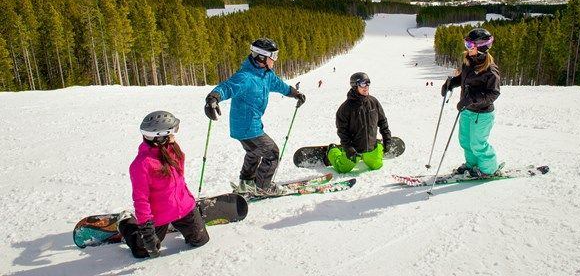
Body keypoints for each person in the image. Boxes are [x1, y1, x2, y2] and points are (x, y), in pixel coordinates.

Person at [204, 38, 306, 196]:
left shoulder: (265, 75)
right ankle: (262, 187)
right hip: (247, 127)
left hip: (250, 126)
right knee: (272, 153)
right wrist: (213, 98)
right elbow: (227, 87)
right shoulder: (246, 77)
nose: (275, 60)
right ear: (262, 57)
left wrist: (295, 93)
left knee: (254, 152)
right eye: (274, 56)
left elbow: (280, 85)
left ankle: (247, 183)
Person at [118, 111, 209, 258]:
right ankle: (126, 223)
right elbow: (141, 199)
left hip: (183, 208)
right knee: (142, 252)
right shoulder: (141, 165)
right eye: (173, 132)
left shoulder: (173, 150)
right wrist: (147, 233)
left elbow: (179, 181)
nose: (175, 135)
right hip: (158, 216)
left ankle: (175, 223)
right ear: (160, 138)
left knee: (201, 240)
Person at [441, 28, 500, 178]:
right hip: (467, 110)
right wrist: (452, 83)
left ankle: (489, 169)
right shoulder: (469, 62)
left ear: (480, 47)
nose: (466, 47)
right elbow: (464, 78)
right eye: (466, 43)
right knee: (465, 141)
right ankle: (472, 164)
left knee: (478, 144)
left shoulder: (490, 70)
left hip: (482, 114)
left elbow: (493, 93)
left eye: (469, 44)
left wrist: (471, 98)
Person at [327, 72, 392, 173]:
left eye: (368, 83)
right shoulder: (346, 108)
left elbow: (383, 121)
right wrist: (348, 148)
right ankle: (332, 150)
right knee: (342, 169)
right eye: (362, 84)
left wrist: (387, 139)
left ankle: (378, 145)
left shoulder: (373, 102)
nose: (366, 87)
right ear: (354, 86)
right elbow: (342, 131)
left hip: (371, 146)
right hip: (354, 149)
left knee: (377, 165)